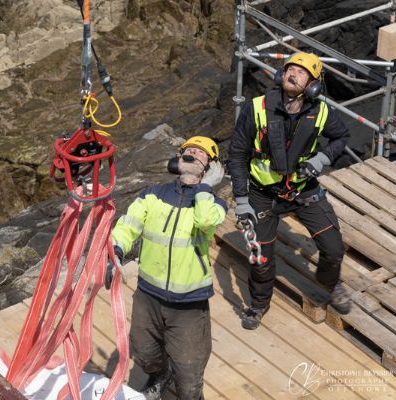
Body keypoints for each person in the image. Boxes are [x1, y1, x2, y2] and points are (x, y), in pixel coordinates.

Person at [228, 52, 352, 330]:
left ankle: (330, 283)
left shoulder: (321, 112)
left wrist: (321, 159)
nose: (292, 74)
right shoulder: (258, 108)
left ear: (313, 84)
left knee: (333, 249)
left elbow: (342, 136)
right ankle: (259, 304)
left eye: (301, 72)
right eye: (289, 70)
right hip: (263, 193)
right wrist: (241, 199)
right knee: (260, 258)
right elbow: (237, 154)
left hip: (303, 190)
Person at [107, 136, 227, 400]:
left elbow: (206, 221)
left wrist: (205, 187)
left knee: (189, 374)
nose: (193, 152)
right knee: (145, 352)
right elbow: (129, 225)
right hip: (148, 295)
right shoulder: (153, 193)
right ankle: (160, 375)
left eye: (201, 153)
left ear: (211, 168)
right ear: (178, 159)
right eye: (188, 150)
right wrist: (115, 249)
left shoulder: (215, 204)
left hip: (189, 305)